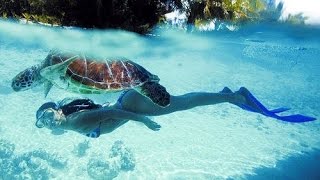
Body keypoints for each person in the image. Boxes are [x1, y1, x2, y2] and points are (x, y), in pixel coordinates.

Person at [35, 87, 316, 138]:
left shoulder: (75, 121)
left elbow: (117, 117)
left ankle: (235, 96)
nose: (48, 124)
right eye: (43, 124)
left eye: (49, 116)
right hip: (125, 101)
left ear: (58, 111)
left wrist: (144, 121)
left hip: (130, 106)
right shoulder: (69, 123)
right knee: (182, 103)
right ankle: (227, 94)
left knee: (182, 104)